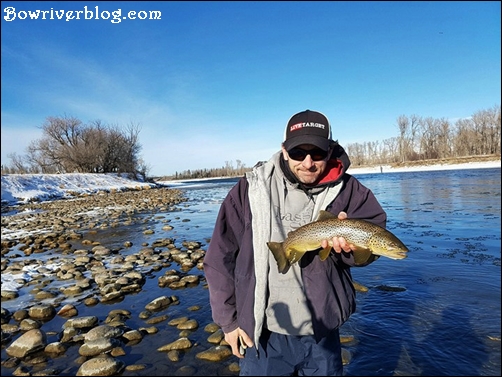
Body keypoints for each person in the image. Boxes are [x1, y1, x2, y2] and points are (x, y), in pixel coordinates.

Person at [203, 109, 387, 376]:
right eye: (299, 153)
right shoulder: (250, 190)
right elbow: (219, 258)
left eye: (318, 154)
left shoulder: (350, 191)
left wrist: (355, 250)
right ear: (284, 150)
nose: (308, 163)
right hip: (263, 334)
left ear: (331, 150)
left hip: (322, 331)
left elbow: (373, 240)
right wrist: (228, 322)